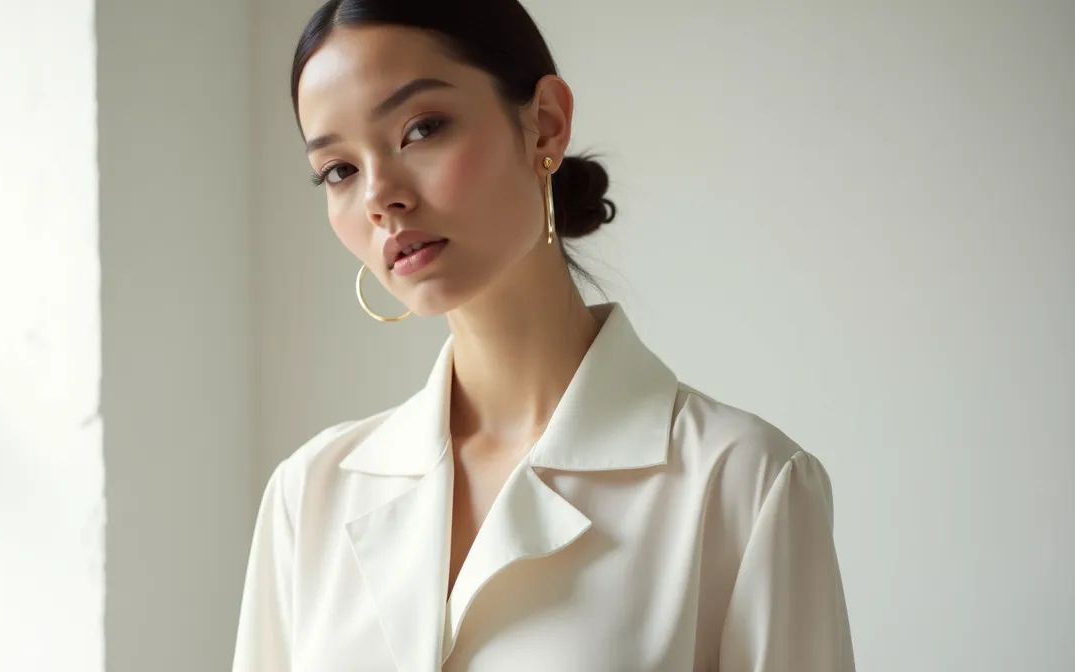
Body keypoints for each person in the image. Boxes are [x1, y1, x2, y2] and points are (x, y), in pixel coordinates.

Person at [234, 1, 856, 669]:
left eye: (421, 129)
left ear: (545, 127)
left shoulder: (744, 486)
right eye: (340, 170)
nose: (380, 197)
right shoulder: (312, 492)